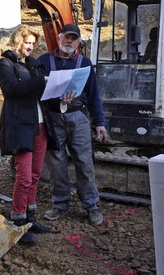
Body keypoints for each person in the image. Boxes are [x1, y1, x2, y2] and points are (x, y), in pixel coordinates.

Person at [37, 23, 109, 226]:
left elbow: (94, 95)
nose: (70, 41)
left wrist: (99, 122)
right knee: (56, 163)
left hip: (78, 116)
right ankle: (60, 204)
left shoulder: (85, 63)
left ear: (78, 42)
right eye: (67, 37)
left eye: (74, 38)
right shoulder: (43, 61)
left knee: (84, 162)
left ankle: (91, 205)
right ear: (59, 38)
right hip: (53, 118)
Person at [0, 25, 56, 245]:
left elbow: (41, 92)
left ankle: (31, 218)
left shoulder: (34, 64)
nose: (30, 46)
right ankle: (18, 223)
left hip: (40, 125)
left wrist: (60, 94)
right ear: (16, 41)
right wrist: (42, 81)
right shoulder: (5, 63)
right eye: (26, 42)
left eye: (33, 43)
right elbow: (12, 89)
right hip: (20, 126)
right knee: (23, 177)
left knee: (35, 175)